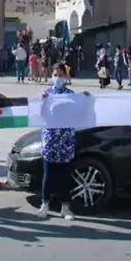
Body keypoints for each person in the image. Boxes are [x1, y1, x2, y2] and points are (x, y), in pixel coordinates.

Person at [38, 64, 91, 220]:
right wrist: (43, 102)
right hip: (50, 139)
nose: (58, 78)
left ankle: (65, 207)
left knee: (64, 175)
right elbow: (42, 115)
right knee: (48, 174)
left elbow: (79, 114)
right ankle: (45, 204)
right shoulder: (47, 93)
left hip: (66, 140)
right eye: (55, 74)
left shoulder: (70, 95)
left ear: (66, 77)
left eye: (61, 75)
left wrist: (86, 100)